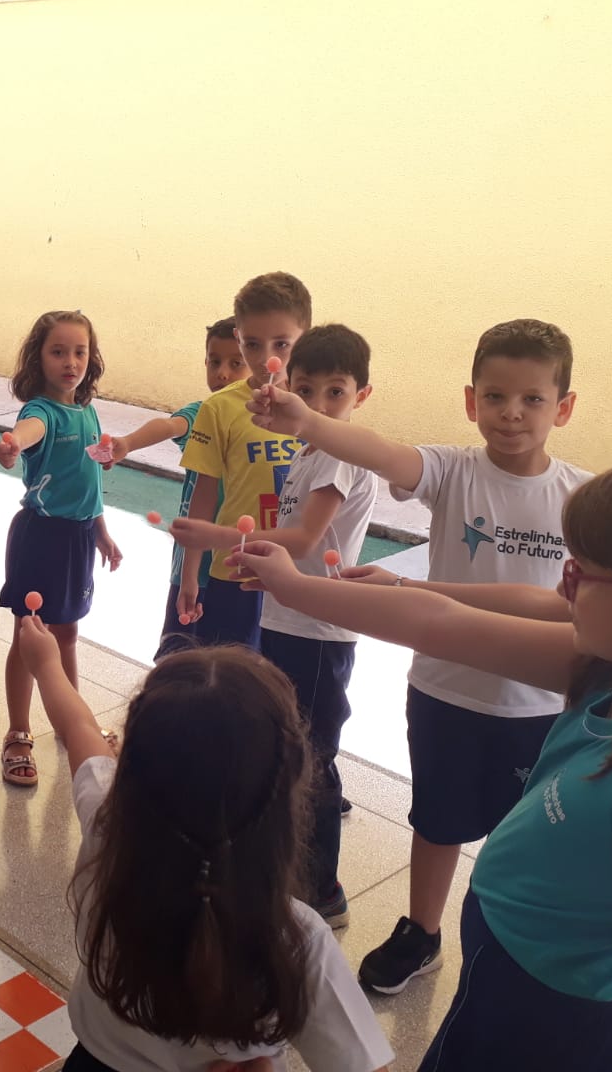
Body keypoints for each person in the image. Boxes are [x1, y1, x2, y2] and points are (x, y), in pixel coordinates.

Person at [231, 453, 612, 1072]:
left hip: (568, 1029)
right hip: (501, 981)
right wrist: (295, 586)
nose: (564, 586)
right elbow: (441, 624)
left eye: (585, 570)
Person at [250, 317, 588, 995]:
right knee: (435, 820)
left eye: (532, 399)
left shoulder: (582, 497)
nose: (511, 413)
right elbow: (378, 450)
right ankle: (422, 932)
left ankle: (505, 938)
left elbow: (572, 607)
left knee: (523, 836)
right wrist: (307, 421)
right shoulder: (453, 471)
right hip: (445, 689)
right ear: (470, 401)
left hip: (539, 704)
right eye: (495, 397)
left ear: (564, 407)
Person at [16, 618, 392, 1072]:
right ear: (290, 787)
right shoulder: (298, 940)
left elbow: (80, 728)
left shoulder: (105, 835)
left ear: (128, 768)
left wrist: (46, 664)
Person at [172, 323, 377, 929]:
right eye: (305, 390)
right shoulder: (308, 451)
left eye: (335, 392)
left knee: (311, 758)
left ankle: (320, 890)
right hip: (291, 618)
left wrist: (219, 536)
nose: (317, 405)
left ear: (362, 396)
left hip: (318, 631)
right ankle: (286, 872)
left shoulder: (339, 452)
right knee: (290, 749)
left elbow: (305, 538)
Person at [0, 310, 123, 788]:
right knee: (28, 637)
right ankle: (17, 733)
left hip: (78, 537)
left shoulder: (87, 411)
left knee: (67, 634)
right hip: (41, 538)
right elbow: (29, 432)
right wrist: (12, 444)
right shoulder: (41, 411)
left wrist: (100, 530)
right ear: (39, 358)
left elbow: (89, 481)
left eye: (79, 352)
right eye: (58, 352)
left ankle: (72, 723)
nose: (71, 362)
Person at [176, 274, 313, 650]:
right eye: (253, 344)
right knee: (231, 676)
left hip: (299, 576)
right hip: (235, 571)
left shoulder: (318, 410)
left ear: (305, 338)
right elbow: (204, 495)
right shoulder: (218, 408)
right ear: (238, 338)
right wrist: (191, 575)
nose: (268, 358)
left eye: (282, 344)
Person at [101, 317, 245, 659]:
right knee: (180, 652)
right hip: (193, 566)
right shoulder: (204, 413)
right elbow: (169, 425)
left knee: (230, 659)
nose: (223, 373)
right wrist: (128, 443)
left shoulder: (265, 423)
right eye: (214, 362)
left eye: (235, 363)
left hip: (236, 565)